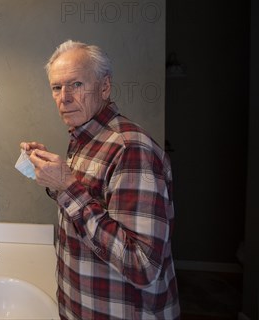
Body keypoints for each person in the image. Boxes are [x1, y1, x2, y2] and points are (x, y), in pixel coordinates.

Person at [21, 40, 180, 319]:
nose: (64, 97)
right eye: (56, 88)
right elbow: (85, 203)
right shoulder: (85, 138)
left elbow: (143, 266)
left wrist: (67, 186)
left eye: (76, 85)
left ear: (105, 87)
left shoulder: (130, 149)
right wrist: (52, 178)